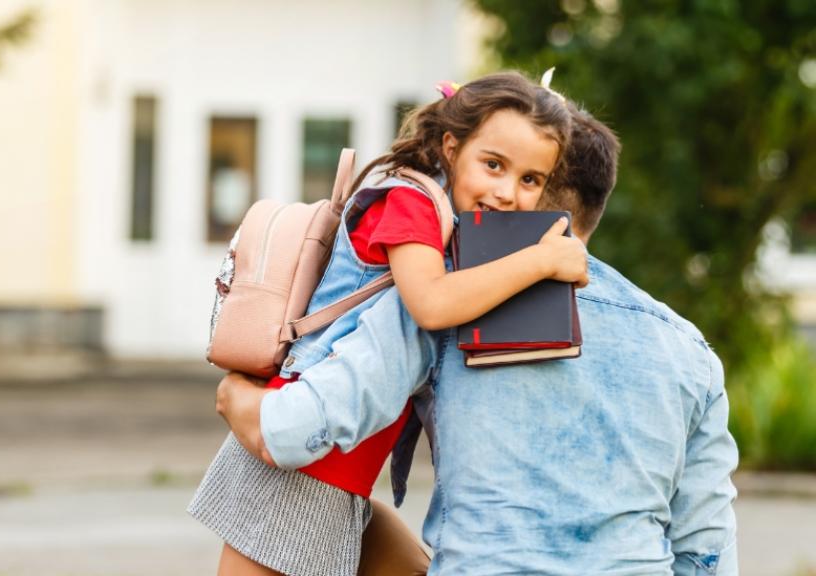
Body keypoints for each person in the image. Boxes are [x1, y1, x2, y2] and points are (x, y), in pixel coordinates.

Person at [217, 107, 740, 575]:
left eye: (522, 175)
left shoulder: (451, 299)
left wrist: (238, 396)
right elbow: (706, 552)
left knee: (340, 524)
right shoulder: (689, 351)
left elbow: (295, 430)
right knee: (360, 526)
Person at [189, 72, 591, 576]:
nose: (508, 192)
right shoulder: (411, 202)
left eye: (530, 180)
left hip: (340, 466)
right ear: (450, 145)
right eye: (493, 165)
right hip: (307, 459)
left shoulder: (452, 220)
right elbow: (431, 303)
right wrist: (541, 261)